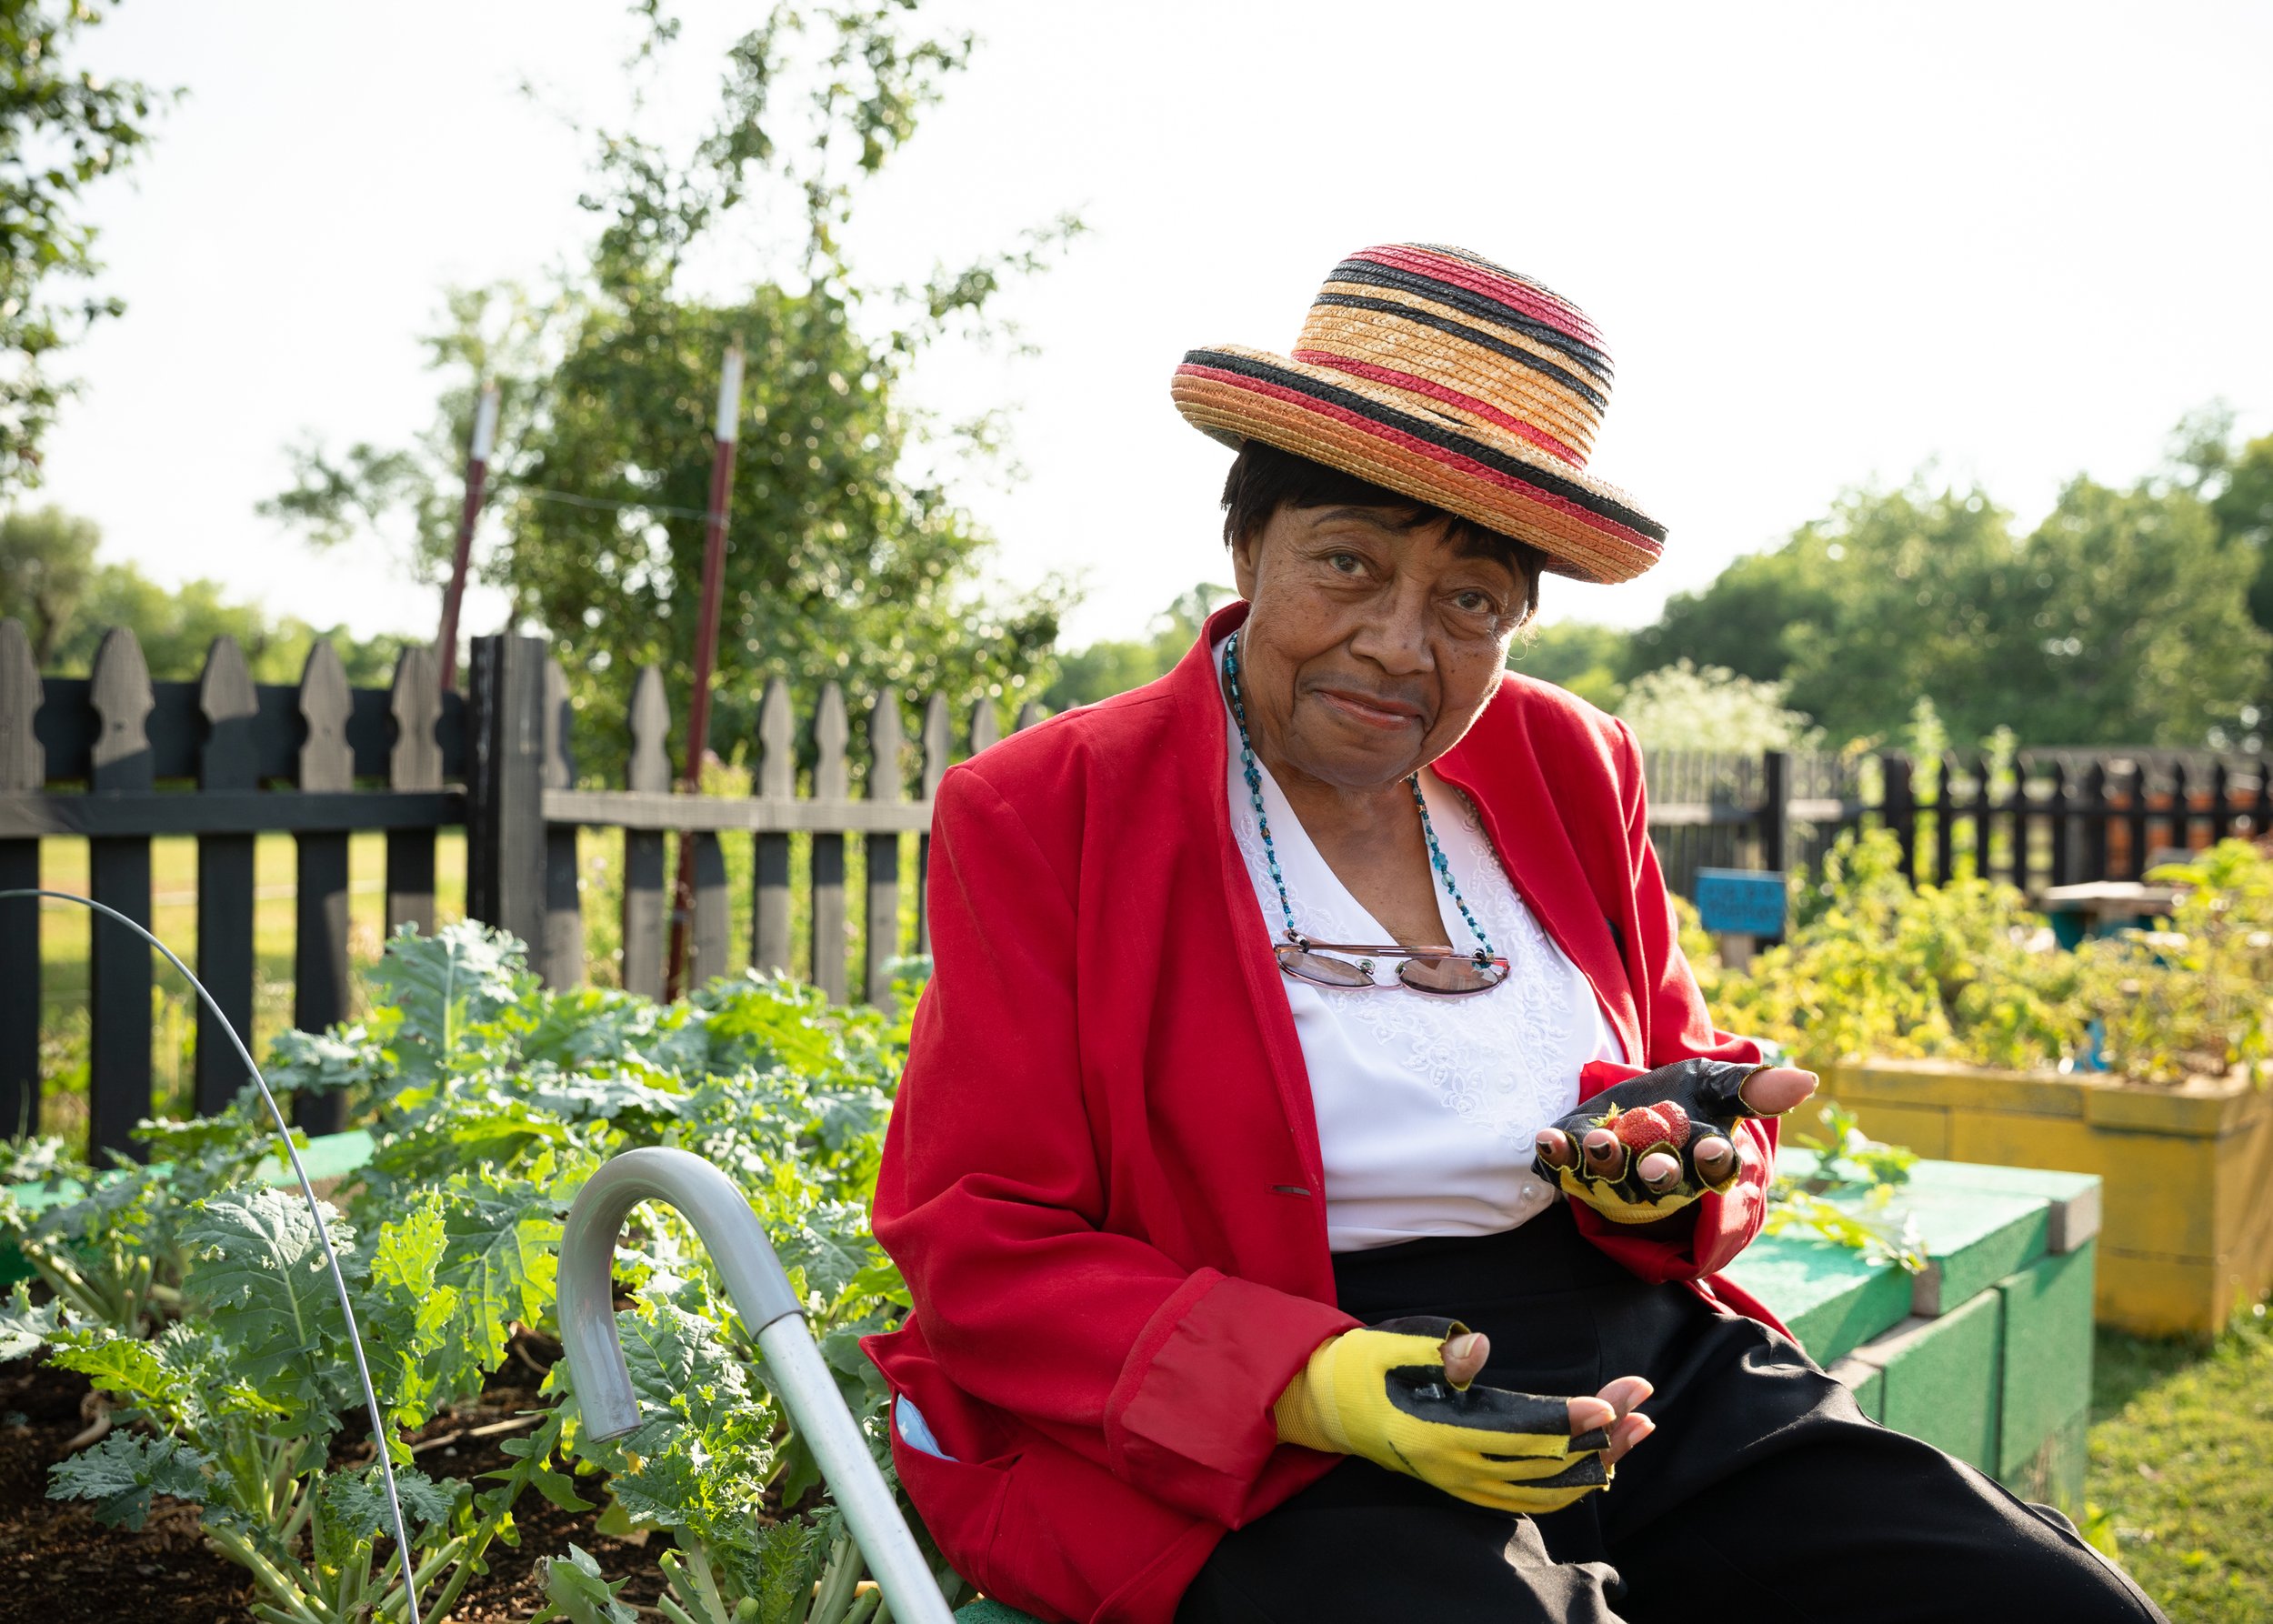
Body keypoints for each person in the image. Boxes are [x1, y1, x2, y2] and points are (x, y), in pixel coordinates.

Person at [863, 245, 2162, 1624]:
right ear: (1247, 544)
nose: (1397, 643)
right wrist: (1315, 1381)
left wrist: (1664, 1157)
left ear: (1522, 613)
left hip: (1632, 1365)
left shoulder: (1570, 760)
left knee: (2048, 1605)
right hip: (1276, 1407)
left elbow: (1675, 1072)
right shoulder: (1050, 807)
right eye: (1347, 561)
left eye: (1470, 598)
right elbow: (977, 1235)